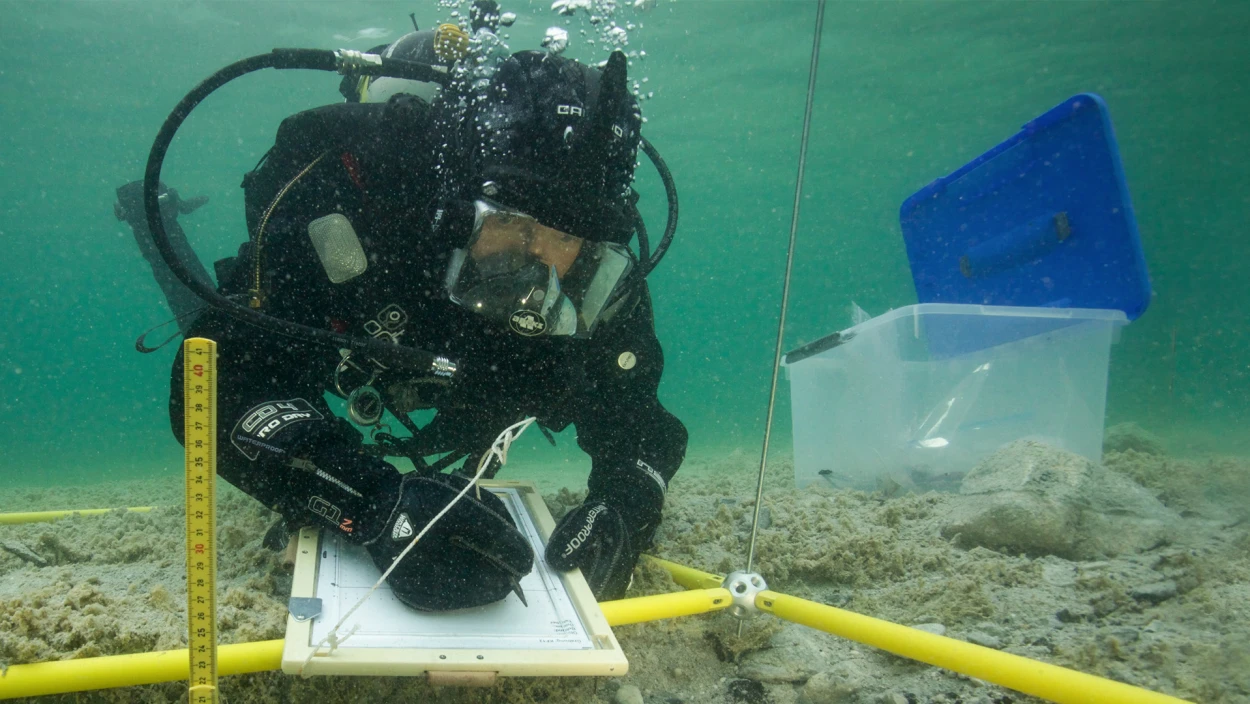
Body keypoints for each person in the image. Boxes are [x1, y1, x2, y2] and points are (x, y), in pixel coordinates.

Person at [163, 30, 688, 612]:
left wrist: (626, 505)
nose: (536, 265)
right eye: (514, 225)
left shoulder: (594, 280)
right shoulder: (359, 220)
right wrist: (373, 502)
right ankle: (153, 213)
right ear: (456, 210)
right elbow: (212, 389)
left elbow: (641, 422)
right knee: (199, 314)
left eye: (565, 239)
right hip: (353, 329)